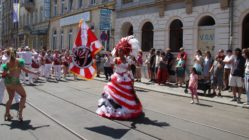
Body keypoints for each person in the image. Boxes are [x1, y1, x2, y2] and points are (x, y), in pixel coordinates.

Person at [96, 36, 143, 119]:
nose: (120, 52)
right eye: (119, 51)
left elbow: (131, 68)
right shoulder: (116, 59)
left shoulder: (128, 60)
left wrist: (132, 61)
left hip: (125, 78)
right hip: (117, 78)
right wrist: (108, 55)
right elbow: (111, 63)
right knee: (114, 94)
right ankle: (115, 107)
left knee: (128, 95)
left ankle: (126, 108)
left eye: (121, 51)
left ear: (124, 51)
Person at [2, 48, 39, 121]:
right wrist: (34, 72)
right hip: (15, 81)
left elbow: (4, 74)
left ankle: (7, 114)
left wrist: (8, 73)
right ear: (16, 54)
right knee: (23, 95)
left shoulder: (7, 63)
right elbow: (25, 70)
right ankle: (20, 114)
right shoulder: (19, 61)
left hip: (7, 82)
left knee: (10, 98)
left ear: (9, 54)